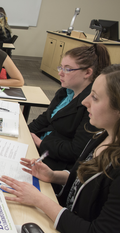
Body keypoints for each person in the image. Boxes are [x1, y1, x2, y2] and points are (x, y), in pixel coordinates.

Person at [0, 64, 120, 233]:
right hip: (63, 213)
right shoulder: (102, 136)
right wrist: (54, 176)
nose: (85, 102)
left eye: (95, 97)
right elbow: (84, 179)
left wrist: (40, 201)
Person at [28, 44, 111, 172]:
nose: (60, 73)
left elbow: (76, 150)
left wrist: (41, 144)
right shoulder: (66, 91)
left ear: (88, 72)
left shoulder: (91, 106)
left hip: (55, 161)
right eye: (60, 67)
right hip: (41, 147)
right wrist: (26, 133)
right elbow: (47, 117)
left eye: (67, 69)